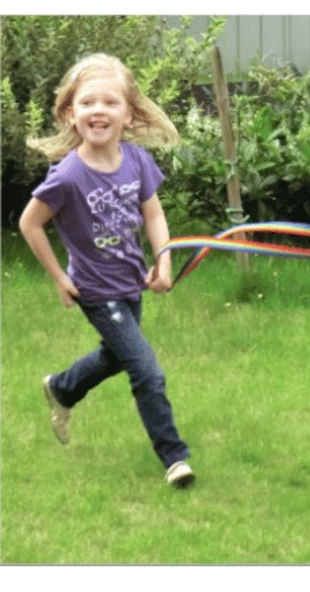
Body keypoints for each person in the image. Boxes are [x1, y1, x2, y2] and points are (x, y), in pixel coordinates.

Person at [19, 53, 194, 488]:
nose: (99, 110)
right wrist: (60, 278)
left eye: (110, 102)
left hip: (131, 282)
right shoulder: (68, 176)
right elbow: (30, 223)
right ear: (71, 114)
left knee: (117, 355)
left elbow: (153, 214)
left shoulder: (136, 160)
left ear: (128, 114)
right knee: (146, 370)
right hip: (95, 291)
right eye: (88, 102)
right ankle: (174, 457)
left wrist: (164, 260)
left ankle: (63, 388)